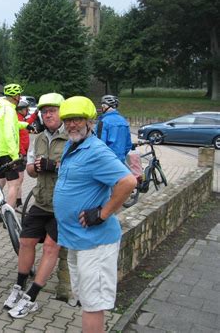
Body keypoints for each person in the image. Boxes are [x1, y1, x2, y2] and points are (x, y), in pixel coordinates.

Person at [53, 96, 137, 333]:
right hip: (76, 239)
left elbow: (127, 181)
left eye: (78, 119)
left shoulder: (96, 150)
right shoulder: (72, 145)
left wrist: (102, 213)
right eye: (68, 120)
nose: (72, 124)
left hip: (95, 243)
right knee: (85, 299)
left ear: (90, 121)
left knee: (93, 305)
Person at [4, 93, 71, 319]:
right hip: (41, 200)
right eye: (44, 111)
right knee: (25, 241)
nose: (48, 114)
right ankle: (18, 287)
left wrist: (55, 166)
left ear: (63, 112)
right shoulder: (40, 137)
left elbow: (79, 170)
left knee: (51, 247)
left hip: (62, 205)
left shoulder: (72, 137)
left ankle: (31, 297)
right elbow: (31, 168)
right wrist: (36, 168)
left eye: (52, 110)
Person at [0, 83, 28, 222]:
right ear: (15, 96)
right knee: (15, 183)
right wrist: (15, 156)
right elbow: (9, 133)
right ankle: (9, 218)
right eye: (19, 95)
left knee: (0, 182)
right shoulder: (10, 110)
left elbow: (12, 125)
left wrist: (25, 124)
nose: (20, 97)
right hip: (7, 152)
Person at [15, 100, 39, 209]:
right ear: (20, 110)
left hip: (23, 152)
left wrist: (35, 114)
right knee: (18, 180)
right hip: (20, 153)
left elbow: (28, 122)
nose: (28, 110)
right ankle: (17, 202)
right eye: (26, 109)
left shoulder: (22, 120)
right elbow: (16, 139)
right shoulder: (17, 121)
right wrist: (21, 152)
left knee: (20, 179)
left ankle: (18, 201)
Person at [95, 94, 132, 163]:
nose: (101, 107)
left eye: (102, 105)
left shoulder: (103, 122)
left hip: (106, 163)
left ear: (105, 106)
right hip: (121, 163)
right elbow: (128, 145)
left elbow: (99, 145)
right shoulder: (123, 121)